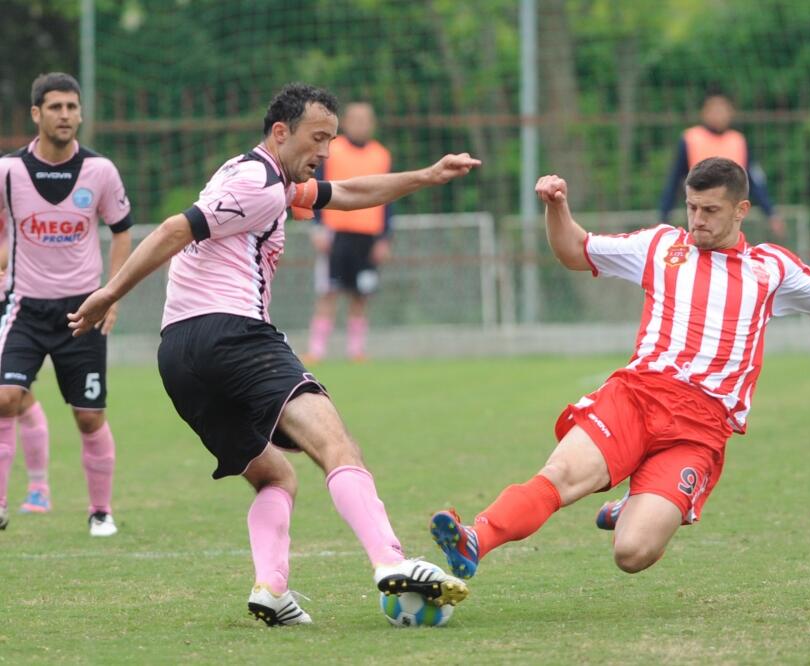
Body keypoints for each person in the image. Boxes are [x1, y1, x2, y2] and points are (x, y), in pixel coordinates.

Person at [429, 157, 810, 581]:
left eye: (710, 211)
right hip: (637, 395)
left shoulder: (770, 268)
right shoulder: (660, 245)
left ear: (741, 210)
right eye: (691, 208)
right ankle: (475, 539)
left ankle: (631, 502)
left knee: (632, 554)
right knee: (560, 477)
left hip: (700, 428)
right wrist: (558, 207)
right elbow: (574, 251)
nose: (696, 220)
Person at [68, 83, 481, 626]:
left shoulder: (266, 178)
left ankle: (271, 588)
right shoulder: (260, 183)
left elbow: (350, 194)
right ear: (281, 132)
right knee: (335, 444)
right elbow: (173, 229)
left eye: (331, 139)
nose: (326, 150)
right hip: (234, 336)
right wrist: (109, 292)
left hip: (179, 357)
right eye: (317, 138)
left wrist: (426, 176)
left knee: (274, 477)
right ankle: (389, 560)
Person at [0, 73, 133, 535]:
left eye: (72, 107)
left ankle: (101, 511)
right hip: (24, 308)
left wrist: (111, 293)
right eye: (55, 107)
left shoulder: (100, 171)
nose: (65, 115)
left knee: (89, 414)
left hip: (82, 311)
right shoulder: (8, 171)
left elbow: (121, 231)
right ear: (36, 114)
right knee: (5, 398)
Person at [305, 101, 392, 363]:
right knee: (328, 292)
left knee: (361, 295)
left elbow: (389, 198)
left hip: (368, 234)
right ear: (346, 122)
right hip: (336, 232)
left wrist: (385, 237)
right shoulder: (332, 151)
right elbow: (314, 189)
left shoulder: (381, 155)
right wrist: (316, 227)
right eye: (356, 119)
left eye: (366, 120)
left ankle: (356, 350)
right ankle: (317, 350)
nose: (361, 125)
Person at [658, 91, 786, 239]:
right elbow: (674, 180)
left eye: (722, 110)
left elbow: (754, 181)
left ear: (730, 113)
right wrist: (664, 216)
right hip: (702, 212)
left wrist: (770, 213)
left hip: (730, 214)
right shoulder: (691, 139)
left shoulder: (738, 141)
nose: (718, 115)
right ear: (704, 113)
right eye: (714, 110)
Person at [0, 215, 52, 517]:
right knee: (16, 398)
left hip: (14, 309)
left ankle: (38, 489)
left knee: (14, 396)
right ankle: (38, 488)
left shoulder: (19, 213)